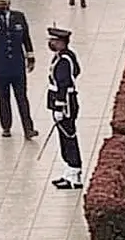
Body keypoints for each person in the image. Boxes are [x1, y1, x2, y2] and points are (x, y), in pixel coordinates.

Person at [0, 0, 39, 139]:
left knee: (22, 98)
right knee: (3, 98)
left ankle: (28, 128)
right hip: (0, 67)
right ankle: (6, 126)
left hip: (17, 66)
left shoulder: (19, 17)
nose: (2, 6)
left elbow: (26, 38)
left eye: (4, 3)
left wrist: (30, 58)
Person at [47, 27, 83, 190]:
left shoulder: (64, 60)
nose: (51, 43)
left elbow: (63, 83)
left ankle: (74, 174)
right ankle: (68, 171)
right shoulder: (64, 56)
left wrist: (60, 106)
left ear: (61, 43)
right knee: (64, 138)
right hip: (64, 101)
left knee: (68, 137)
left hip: (66, 103)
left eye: (53, 41)